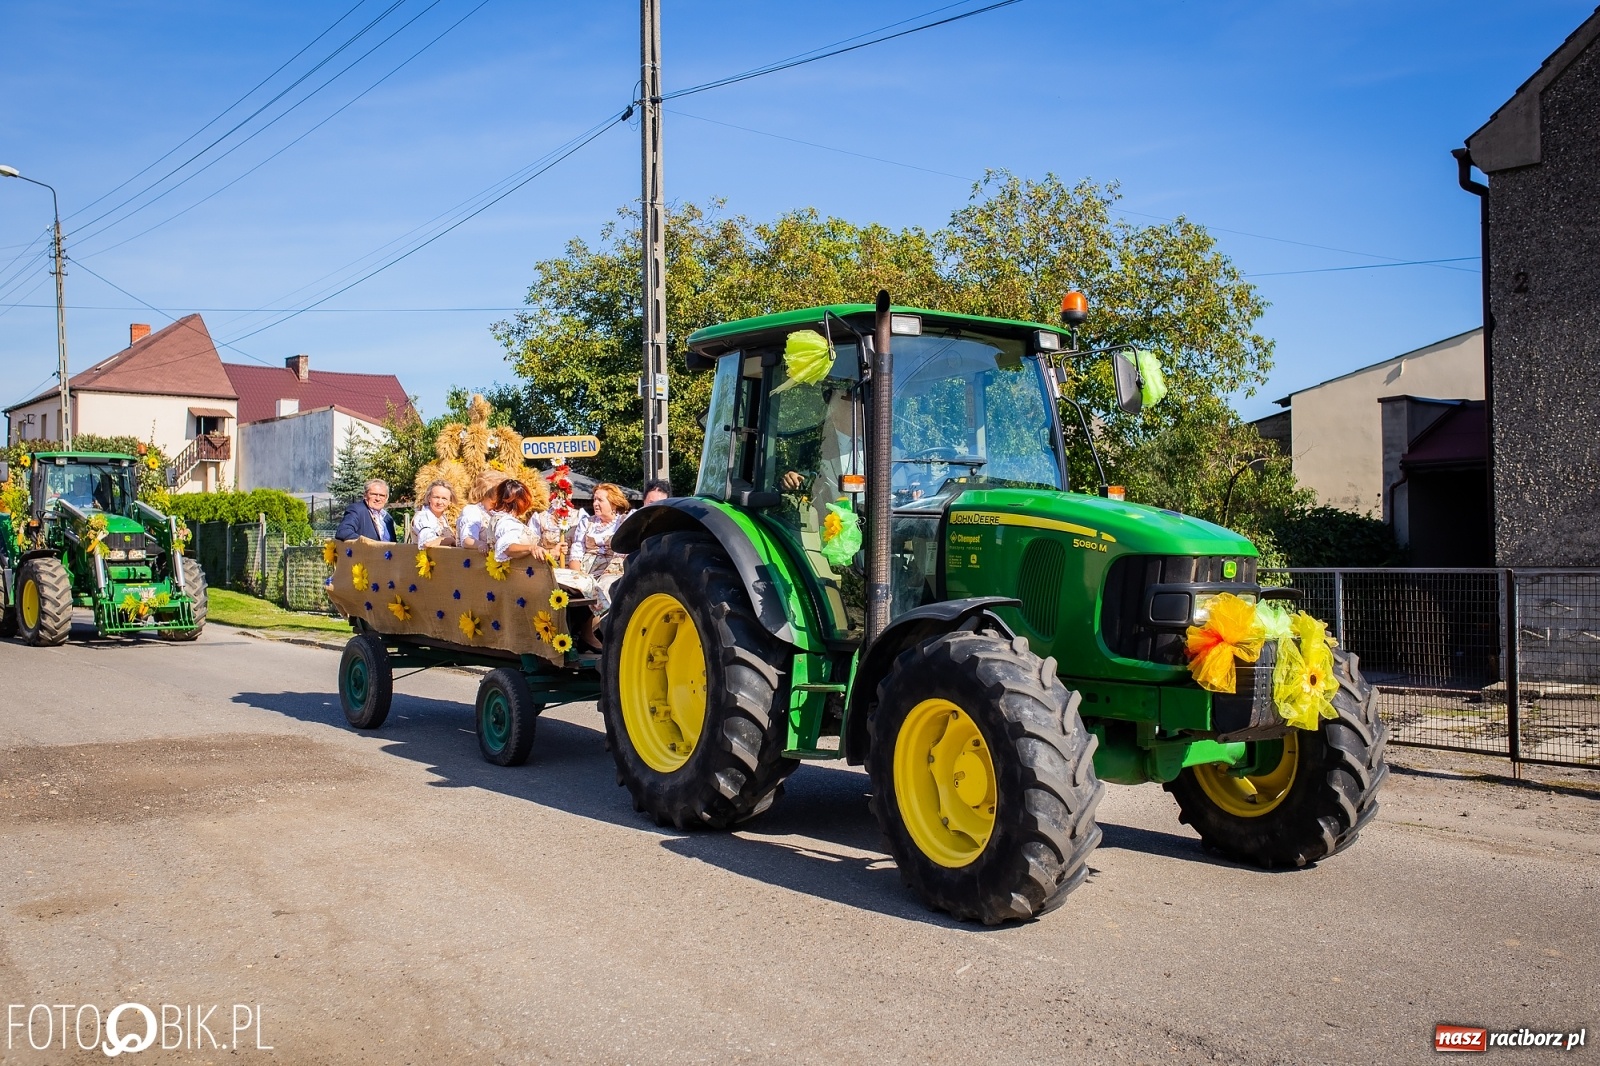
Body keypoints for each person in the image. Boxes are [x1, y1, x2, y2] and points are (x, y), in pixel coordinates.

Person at [567, 482, 631, 651]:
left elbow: (621, 555)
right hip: (586, 567)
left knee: (604, 586)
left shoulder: (623, 522)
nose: (595, 503)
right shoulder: (586, 523)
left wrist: (599, 577)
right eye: (594, 499)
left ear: (614, 503)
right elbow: (577, 550)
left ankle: (594, 631)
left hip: (614, 568)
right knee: (573, 585)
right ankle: (580, 633)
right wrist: (577, 575)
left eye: (600, 500)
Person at [483, 480, 546, 562]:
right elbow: (508, 547)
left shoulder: (499, 518)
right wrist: (531, 547)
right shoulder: (507, 522)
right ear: (522, 502)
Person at [456, 470, 507, 550]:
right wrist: (480, 544)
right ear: (485, 494)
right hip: (473, 560)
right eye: (498, 495)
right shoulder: (473, 511)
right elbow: (467, 540)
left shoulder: (497, 513)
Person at [410, 481, 457, 548]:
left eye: (444, 498)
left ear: (449, 501)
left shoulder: (443, 518)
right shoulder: (424, 516)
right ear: (429, 498)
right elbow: (428, 543)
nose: (440, 502)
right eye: (436, 497)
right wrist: (451, 540)